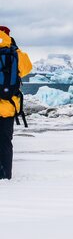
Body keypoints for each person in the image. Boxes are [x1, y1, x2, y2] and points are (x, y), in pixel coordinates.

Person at [0, 26, 32, 180]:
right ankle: (5, 175)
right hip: (8, 107)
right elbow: (27, 69)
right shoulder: (15, 54)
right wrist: (16, 49)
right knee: (5, 142)